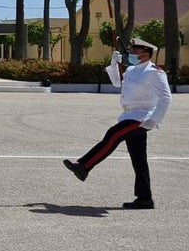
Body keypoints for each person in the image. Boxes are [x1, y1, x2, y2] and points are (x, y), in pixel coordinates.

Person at [62, 38, 171, 209]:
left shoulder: (154, 72)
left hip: (142, 117)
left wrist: (154, 119)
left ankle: (84, 166)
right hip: (128, 115)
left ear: (146, 53)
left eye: (134, 51)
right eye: (131, 51)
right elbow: (117, 82)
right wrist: (114, 64)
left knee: (113, 135)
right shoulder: (132, 70)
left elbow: (166, 97)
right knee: (138, 159)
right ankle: (144, 198)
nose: (131, 54)